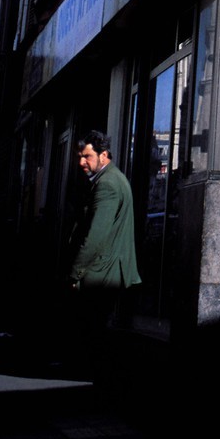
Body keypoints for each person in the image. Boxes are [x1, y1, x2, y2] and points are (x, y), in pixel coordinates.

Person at [69, 131, 141, 372]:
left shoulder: (108, 184)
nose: (81, 162)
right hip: (108, 268)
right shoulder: (113, 179)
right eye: (80, 156)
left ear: (104, 155)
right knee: (99, 327)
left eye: (87, 156)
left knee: (95, 328)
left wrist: (76, 272)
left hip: (101, 270)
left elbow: (96, 235)